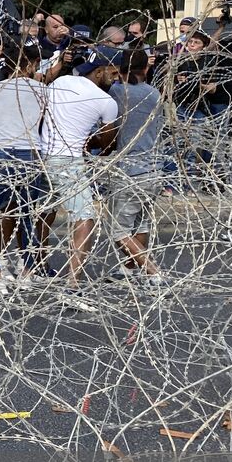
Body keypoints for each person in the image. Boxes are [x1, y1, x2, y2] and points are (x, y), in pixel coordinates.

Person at [38, 47, 123, 301]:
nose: (116, 78)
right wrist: (90, 142)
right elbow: (109, 145)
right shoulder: (107, 102)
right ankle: (73, 283)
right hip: (69, 161)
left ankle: (38, 263)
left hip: (42, 155)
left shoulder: (61, 81)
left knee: (45, 211)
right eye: (113, 72)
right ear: (99, 72)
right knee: (85, 217)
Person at [0, 46, 48, 295]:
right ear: (32, 63)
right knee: (26, 213)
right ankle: (26, 272)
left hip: (1, 153)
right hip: (31, 153)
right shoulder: (42, 90)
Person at [103, 49, 166, 283]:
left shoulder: (118, 92)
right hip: (153, 167)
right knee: (142, 223)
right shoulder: (154, 93)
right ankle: (130, 269)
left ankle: (153, 271)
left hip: (129, 170)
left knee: (119, 230)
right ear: (146, 69)